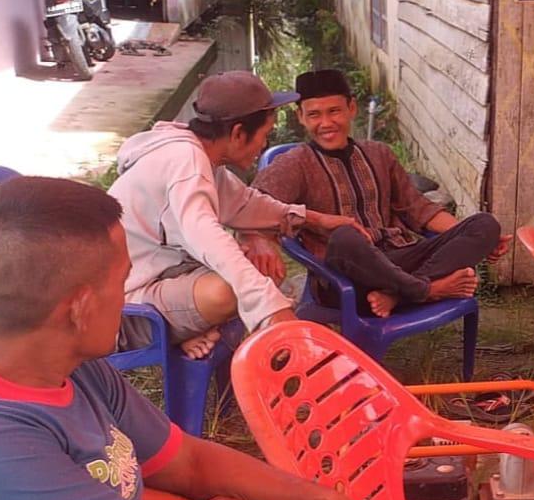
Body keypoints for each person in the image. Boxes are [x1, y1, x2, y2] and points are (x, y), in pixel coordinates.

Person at [0, 175, 401, 500]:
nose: (128, 296)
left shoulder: (72, 369)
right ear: (80, 308)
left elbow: (188, 461)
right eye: (123, 281)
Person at [109, 72, 356, 360]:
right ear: (238, 133)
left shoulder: (199, 157)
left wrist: (315, 219)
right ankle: (189, 336)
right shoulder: (186, 165)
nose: (263, 145)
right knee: (229, 290)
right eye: (264, 135)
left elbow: (244, 205)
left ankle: (191, 332)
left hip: (163, 277)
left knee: (256, 270)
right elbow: (210, 240)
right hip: (125, 312)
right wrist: (273, 311)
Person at [249, 69, 509, 318]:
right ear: (301, 117)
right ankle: (427, 290)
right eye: (314, 114)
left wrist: (467, 234)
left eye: (334, 111)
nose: (326, 123)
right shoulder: (294, 163)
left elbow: (420, 210)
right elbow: (253, 204)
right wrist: (259, 239)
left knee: (485, 224)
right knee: (345, 236)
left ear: (352, 108)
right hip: (346, 276)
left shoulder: (380, 154)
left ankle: (400, 294)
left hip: (401, 259)